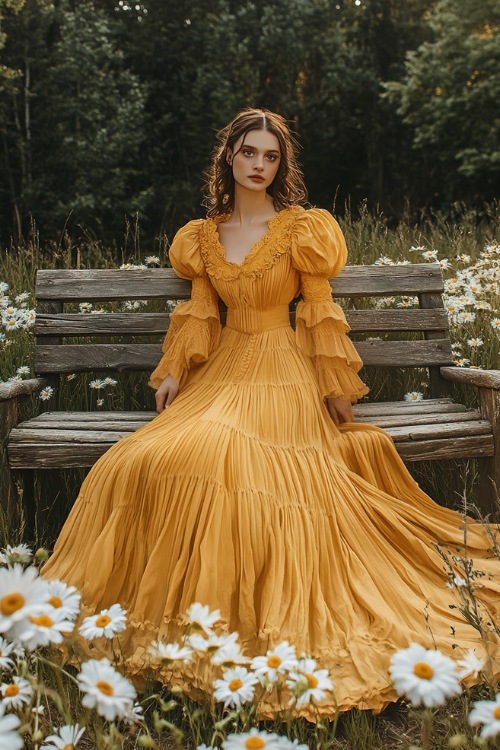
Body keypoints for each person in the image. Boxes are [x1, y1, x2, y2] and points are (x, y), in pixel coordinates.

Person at [43, 108, 500, 720]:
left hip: (282, 371)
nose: (259, 165)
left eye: (271, 156)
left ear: (281, 165)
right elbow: (200, 311)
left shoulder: (301, 230)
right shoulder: (202, 235)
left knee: (219, 455)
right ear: (228, 156)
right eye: (249, 152)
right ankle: (162, 618)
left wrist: (338, 396)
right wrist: (175, 371)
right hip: (222, 370)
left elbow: (318, 311)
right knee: (137, 457)